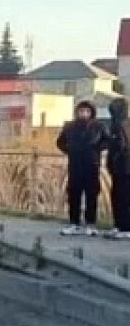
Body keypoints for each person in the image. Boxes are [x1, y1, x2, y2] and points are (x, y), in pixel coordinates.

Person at [56, 100, 109, 236]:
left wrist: (96, 149)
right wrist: (70, 150)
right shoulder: (69, 127)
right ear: (77, 112)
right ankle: (74, 223)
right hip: (75, 165)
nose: (84, 114)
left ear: (91, 113)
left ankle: (90, 224)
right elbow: (60, 142)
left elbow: (107, 140)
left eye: (87, 111)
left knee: (92, 195)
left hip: (92, 165)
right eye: (81, 111)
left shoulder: (98, 126)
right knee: (74, 195)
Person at [105, 97, 130, 240]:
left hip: (123, 167)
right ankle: (120, 225)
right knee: (118, 197)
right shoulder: (119, 125)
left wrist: (112, 160)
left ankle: (125, 227)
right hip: (119, 167)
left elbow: (119, 147)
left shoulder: (120, 126)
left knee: (122, 198)